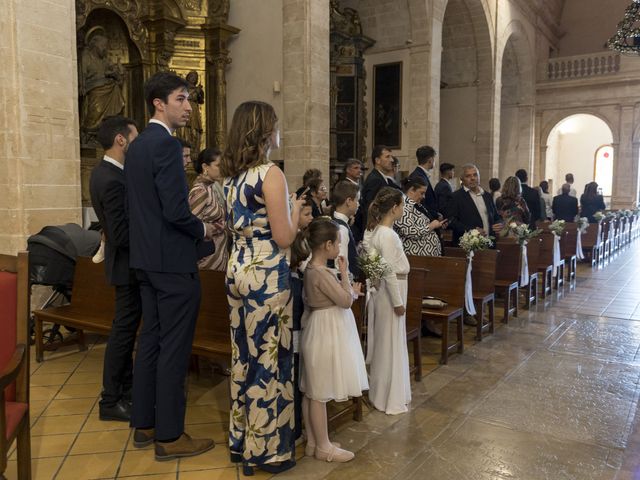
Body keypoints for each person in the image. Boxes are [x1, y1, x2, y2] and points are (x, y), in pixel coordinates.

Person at [125, 72, 215, 460]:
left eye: (189, 100)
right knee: (174, 349)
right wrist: (204, 226)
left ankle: (144, 425)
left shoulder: (138, 145)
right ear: (159, 103)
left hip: (145, 259)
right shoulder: (164, 144)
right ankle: (171, 436)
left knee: (150, 343)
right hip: (172, 263)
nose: (188, 107)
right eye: (181, 99)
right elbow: (176, 210)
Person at [222, 101, 305, 475]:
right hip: (267, 274)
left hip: (237, 268)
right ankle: (267, 452)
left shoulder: (231, 178)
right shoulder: (270, 174)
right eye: (276, 124)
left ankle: (241, 443)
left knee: (244, 357)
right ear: (265, 132)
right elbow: (284, 235)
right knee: (271, 360)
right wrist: (297, 215)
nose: (279, 131)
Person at [298, 218, 368, 462]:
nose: (340, 246)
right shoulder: (321, 273)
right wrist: (345, 277)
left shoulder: (312, 269)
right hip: (326, 331)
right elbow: (346, 300)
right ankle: (324, 447)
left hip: (321, 328)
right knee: (319, 391)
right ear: (327, 245)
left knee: (312, 390)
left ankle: (313, 442)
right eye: (338, 242)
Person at [89, 115, 140, 422]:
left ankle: (127, 389)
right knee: (122, 333)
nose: (137, 143)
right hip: (126, 266)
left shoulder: (103, 174)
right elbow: (120, 235)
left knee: (126, 330)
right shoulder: (112, 178)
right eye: (134, 137)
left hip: (123, 265)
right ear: (121, 139)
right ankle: (110, 399)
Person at [363, 187, 411, 415]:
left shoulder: (375, 232)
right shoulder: (388, 234)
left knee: (386, 342)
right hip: (392, 291)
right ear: (394, 208)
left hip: (383, 290)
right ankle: (389, 397)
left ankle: (379, 393)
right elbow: (389, 271)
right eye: (402, 205)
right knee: (390, 343)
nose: (403, 208)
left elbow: (377, 268)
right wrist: (398, 302)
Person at [188, 147, 229, 271]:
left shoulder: (211, 188)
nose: (222, 169)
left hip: (218, 257)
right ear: (205, 167)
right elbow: (192, 226)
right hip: (207, 261)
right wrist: (220, 226)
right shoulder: (200, 190)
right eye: (218, 165)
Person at [446, 164, 502, 246]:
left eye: (475, 175)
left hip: (488, 244)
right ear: (462, 179)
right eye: (468, 176)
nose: (472, 178)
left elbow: (496, 217)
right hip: (467, 245)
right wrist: (472, 231)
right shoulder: (455, 197)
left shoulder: (487, 196)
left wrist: (499, 224)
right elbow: (451, 221)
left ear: (479, 177)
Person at [353, 145, 400, 242]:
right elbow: (371, 208)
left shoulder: (380, 178)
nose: (391, 160)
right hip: (375, 232)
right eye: (387, 157)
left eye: (391, 157)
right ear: (377, 160)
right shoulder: (375, 180)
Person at [395, 176, 444, 257]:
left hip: (426, 255)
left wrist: (437, 225)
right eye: (422, 193)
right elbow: (410, 232)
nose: (424, 196)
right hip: (416, 255)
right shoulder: (403, 206)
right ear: (411, 190)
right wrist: (431, 226)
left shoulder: (416, 204)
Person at [331, 180, 362, 280]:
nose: (359, 204)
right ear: (348, 201)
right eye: (357, 200)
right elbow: (340, 265)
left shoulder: (339, 222)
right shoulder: (341, 229)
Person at [409, 145, 439, 219]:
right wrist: (435, 215)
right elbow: (420, 202)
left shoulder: (421, 174)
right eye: (434, 159)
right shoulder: (418, 176)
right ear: (430, 160)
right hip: (423, 219)